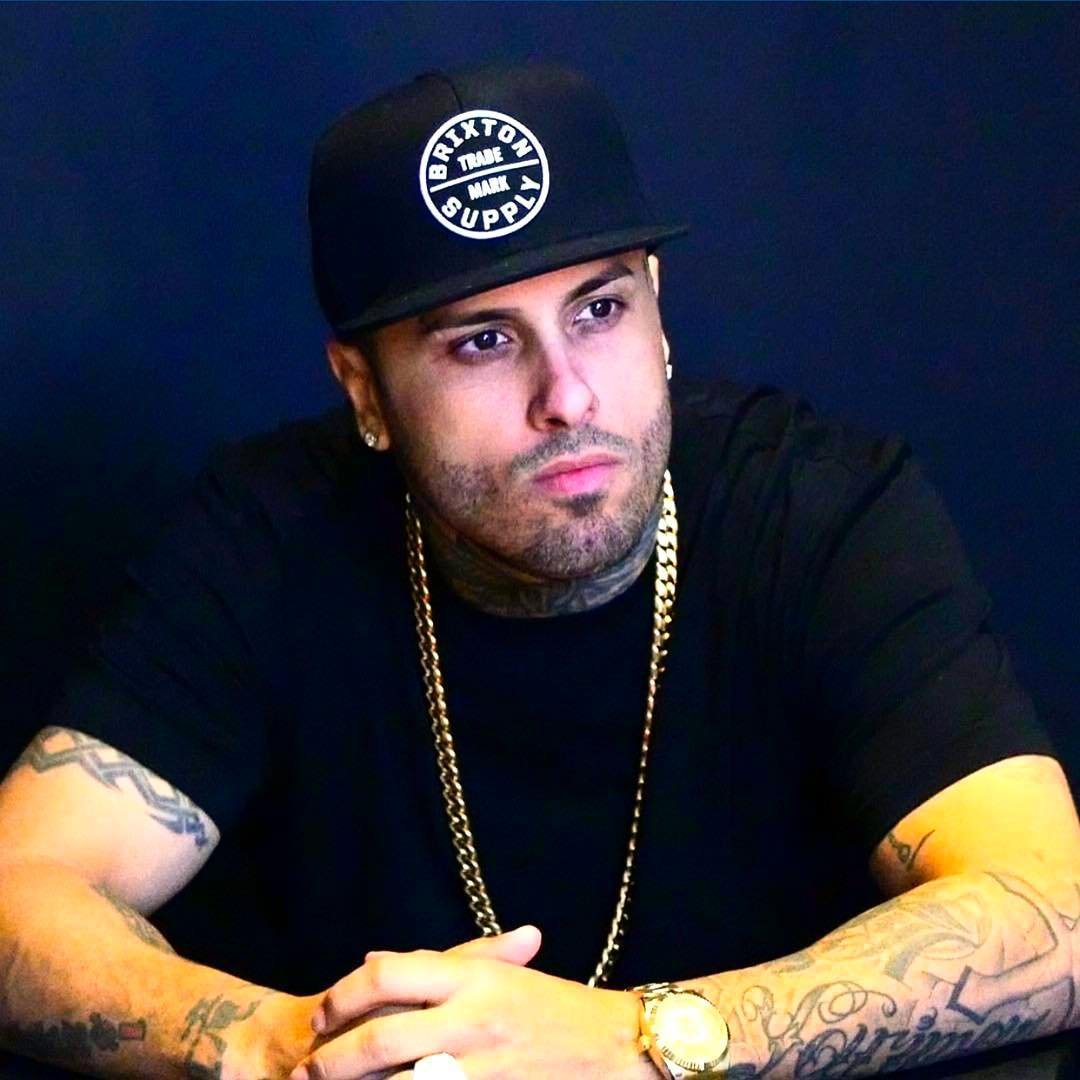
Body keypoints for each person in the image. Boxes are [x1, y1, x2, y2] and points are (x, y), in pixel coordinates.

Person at [0, 60, 1077, 1080]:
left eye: (599, 309)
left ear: (658, 309)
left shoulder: (815, 505)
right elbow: (19, 884)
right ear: (364, 389)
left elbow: (1056, 905)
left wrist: (639, 1041)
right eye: (482, 341)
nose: (567, 396)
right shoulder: (268, 533)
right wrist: (296, 1050)